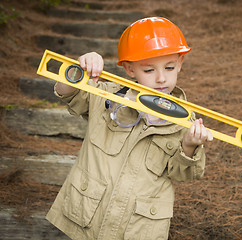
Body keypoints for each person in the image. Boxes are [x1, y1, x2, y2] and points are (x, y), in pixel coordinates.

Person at [46, 17, 213, 239]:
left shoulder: (185, 121)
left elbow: (185, 174)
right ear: (129, 68)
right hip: (86, 218)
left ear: (180, 63)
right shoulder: (108, 97)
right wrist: (79, 68)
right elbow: (69, 92)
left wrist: (189, 146)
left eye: (170, 67)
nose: (161, 78)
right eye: (149, 70)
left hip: (137, 228)